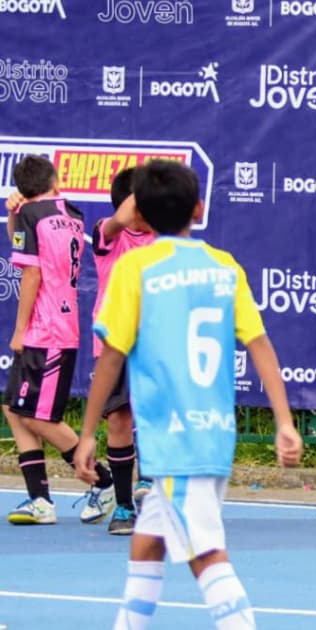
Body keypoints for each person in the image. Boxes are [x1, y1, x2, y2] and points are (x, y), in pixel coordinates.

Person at [73, 160, 303, 629]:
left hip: (176, 441)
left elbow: (112, 357)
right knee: (146, 544)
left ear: (139, 216)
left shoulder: (135, 268)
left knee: (207, 556)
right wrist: (284, 420)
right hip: (212, 436)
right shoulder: (223, 266)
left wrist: (87, 432)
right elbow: (259, 344)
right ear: (199, 209)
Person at [4, 155, 114, 526]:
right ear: (54, 180)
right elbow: (29, 252)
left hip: (48, 329)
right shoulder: (72, 212)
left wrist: (19, 330)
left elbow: (31, 273)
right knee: (13, 409)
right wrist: (15, 218)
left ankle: (104, 481)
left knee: (39, 416)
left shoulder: (31, 216)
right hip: (50, 328)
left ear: (23, 189)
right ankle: (39, 500)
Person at [92, 167, 156, 535]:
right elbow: (119, 219)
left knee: (152, 415)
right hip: (114, 343)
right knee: (119, 420)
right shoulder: (108, 235)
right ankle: (122, 506)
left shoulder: (163, 240)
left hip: (154, 343)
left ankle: (150, 480)